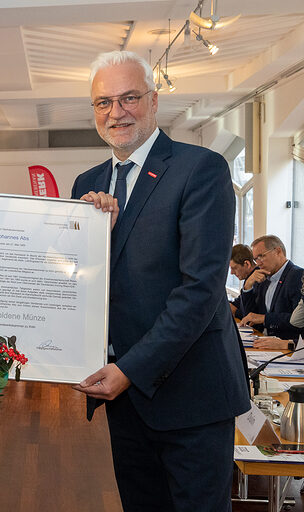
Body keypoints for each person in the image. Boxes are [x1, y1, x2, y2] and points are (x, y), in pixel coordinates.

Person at [70, 51, 249, 512]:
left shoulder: (201, 169)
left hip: (191, 395)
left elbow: (201, 292)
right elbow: (77, 283)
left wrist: (129, 371)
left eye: (129, 97)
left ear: (153, 101)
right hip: (124, 401)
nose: (116, 112)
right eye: (103, 102)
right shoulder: (86, 186)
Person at [238, 235, 304, 340]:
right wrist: (248, 286)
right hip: (263, 341)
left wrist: (265, 319)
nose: (258, 263)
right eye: (256, 259)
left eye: (261, 256)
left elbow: (298, 321)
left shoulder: (298, 276)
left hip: (286, 346)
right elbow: (249, 316)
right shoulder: (263, 277)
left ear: (278, 251)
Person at [229, 244, 256, 319]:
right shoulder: (249, 277)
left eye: (234, 268)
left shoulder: (258, 280)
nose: (232, 273)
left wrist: (237, 312)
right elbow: (238, 303)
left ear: (247, 264)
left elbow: (248, 315)